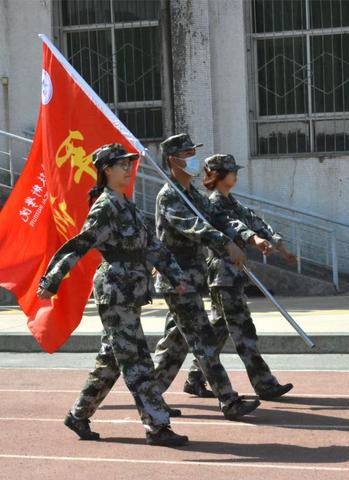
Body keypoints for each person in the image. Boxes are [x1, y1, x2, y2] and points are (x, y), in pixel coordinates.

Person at [37, 143, 189, 447]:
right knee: (137, 360)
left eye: (129, 164)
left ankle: (78, 414)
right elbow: (81, 243)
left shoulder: (126, 203)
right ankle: (157, 426)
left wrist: (176, 274)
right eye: (122, 164)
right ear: (107, 169)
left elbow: (151, 246)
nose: (128, 168)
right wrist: (52, 279)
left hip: (129, 290)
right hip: (115, 291)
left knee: (111, 359)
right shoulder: (106, 206)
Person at [152, 134, 269, 419]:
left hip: (191, 278)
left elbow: (219, 218)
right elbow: (194, 227)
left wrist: (249, 237)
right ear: (173, 160)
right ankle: (228, 401)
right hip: (176, 279)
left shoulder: (192, 194)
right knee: (203, 340)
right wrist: (225, 244)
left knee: (175, 345)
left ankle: (149, 395)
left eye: (194, 151)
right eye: (188, 153)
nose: (194, 158)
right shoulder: (170, 196)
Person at [185, 154, 295, 400]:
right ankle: (265, 384)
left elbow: (254, 221)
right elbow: (234, 226)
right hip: (223, 274)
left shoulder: (231, 201)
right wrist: (254, 240)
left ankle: (194, 378)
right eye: (231, 171)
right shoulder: (213, 205)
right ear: (218, 175)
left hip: (233, 275)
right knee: (244, 331)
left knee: (218, 332)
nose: (235, 175)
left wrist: (279, 245)